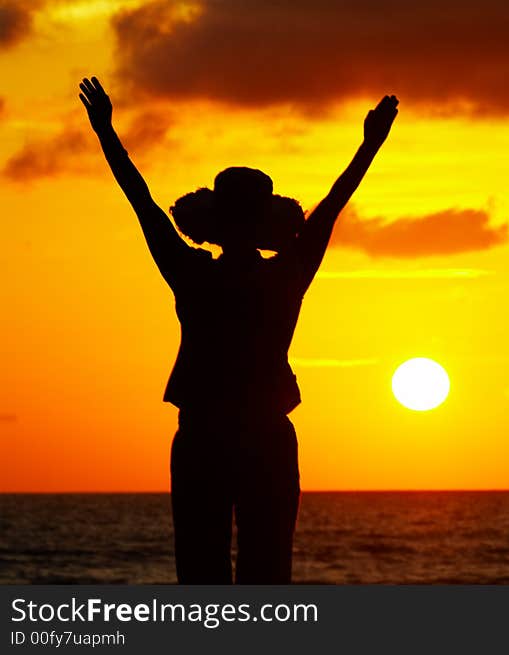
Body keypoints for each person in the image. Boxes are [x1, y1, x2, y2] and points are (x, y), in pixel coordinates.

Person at [78, 76, 398, 583]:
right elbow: (332, 205)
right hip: (251, 436)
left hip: (214, 435)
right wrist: (368, 147)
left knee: (208, 571)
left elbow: (141, 201)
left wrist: (107, 134)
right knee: (263, 571)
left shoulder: (196, 272)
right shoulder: (283, 272)